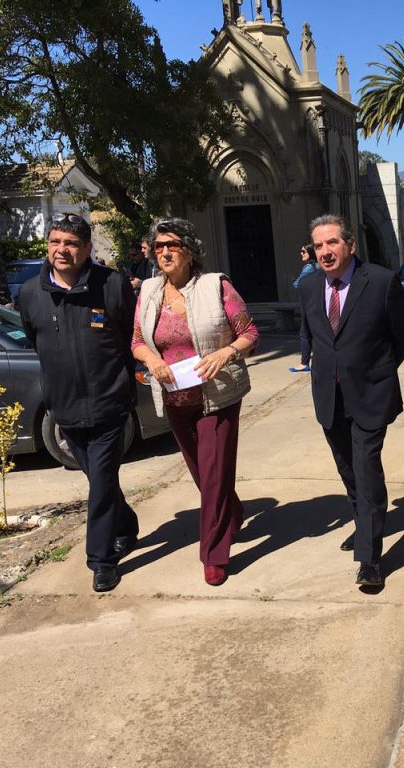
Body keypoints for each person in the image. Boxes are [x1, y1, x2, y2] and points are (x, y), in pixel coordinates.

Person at [131, 218, 259, 587]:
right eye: (158, 246)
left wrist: (226, 354)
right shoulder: (150, 290)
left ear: (189, 249)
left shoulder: (215, 286)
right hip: (174, 398)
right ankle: (231, 513)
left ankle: (214, 554)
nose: (164, 252)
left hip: (216, 395)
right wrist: (152, 361)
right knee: (204, 475)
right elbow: (137, 339)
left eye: (172, 245)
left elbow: (249, 332)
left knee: (215, 472)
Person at [18, 212, 139, 593]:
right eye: (55, 242)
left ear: (87, 249)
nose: (62, 250)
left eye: (71, 243)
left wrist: (126, 385)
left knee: (101, 481)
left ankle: (101, 561)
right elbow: (34, 340)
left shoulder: (114, 286)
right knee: (99, 480)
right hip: (65, 408)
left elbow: (130, 337)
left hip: (108, 404)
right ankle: (126, 523)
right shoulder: (29, 294)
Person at [298, 213, 404, 587]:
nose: (325, 252)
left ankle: (370, 559)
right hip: (329, 397)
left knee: (366, 470)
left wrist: (375, 371)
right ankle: (365, 523)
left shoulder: (380, 282)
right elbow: (312, 336)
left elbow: (402, 337)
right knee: (348, 471)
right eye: (318, 246)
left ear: (350, 244)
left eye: (332, 243)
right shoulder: (309, 286)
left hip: (371, 395)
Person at [289, 243, 319, 373]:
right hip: (319, 302)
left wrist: (294, 281)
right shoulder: (320, 266)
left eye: (303, 251)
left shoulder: (309, 267)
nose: (301, 253)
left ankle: (304, 363)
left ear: (311, 253)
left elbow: (298, 284)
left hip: (309, 304)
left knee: (305, 333)